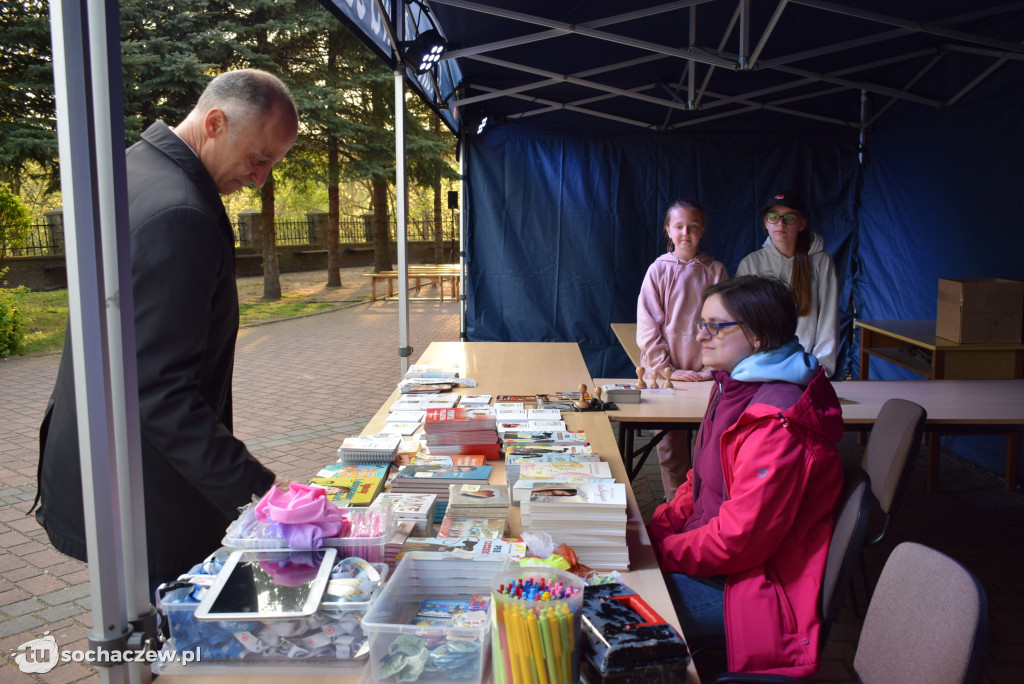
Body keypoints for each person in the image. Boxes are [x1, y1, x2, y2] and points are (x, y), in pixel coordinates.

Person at [33, 69, 299, 595]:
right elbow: (157, 387)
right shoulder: (180, 211)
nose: (261, 179)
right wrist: (259, 497)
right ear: (216, 122)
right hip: (145, 491)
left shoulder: (133, 166)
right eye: (259, 158)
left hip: (102, 463)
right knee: (165, 648)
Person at [647, 275, 844, 678]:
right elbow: (698, 484)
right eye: (701, 323)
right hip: (721, 568)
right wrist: (654, 534)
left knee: (606, 607)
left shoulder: (776, 420)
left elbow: (739, 542)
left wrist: (661, 554)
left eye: (715, 326)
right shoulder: (732, 387)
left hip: (753, 590)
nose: (701, 336)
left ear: (757, 336)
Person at [636, 199, 728, 496]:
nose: (685, 232)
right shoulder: (658, 271)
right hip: (667, 376)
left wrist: (709, 368)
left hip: (705, 374)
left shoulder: (715, 271)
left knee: (710, 443)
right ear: (668, 230)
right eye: (678, 226)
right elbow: (649, 326)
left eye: (692, 227)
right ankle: (675, 505)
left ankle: (702, 504)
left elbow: (724, 324)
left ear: (702, 231)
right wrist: (666, 369)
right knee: (671, 446)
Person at [736, 190, 840, 376]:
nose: (781, 224)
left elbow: (828, 319)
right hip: (760, 367)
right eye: (773, 217)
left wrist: (820, 370)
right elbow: (743, 322)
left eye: (789, 217)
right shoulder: (751, 264)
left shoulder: (821, 262)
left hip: (806, 368)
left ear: (802, 223)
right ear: (766, 223)